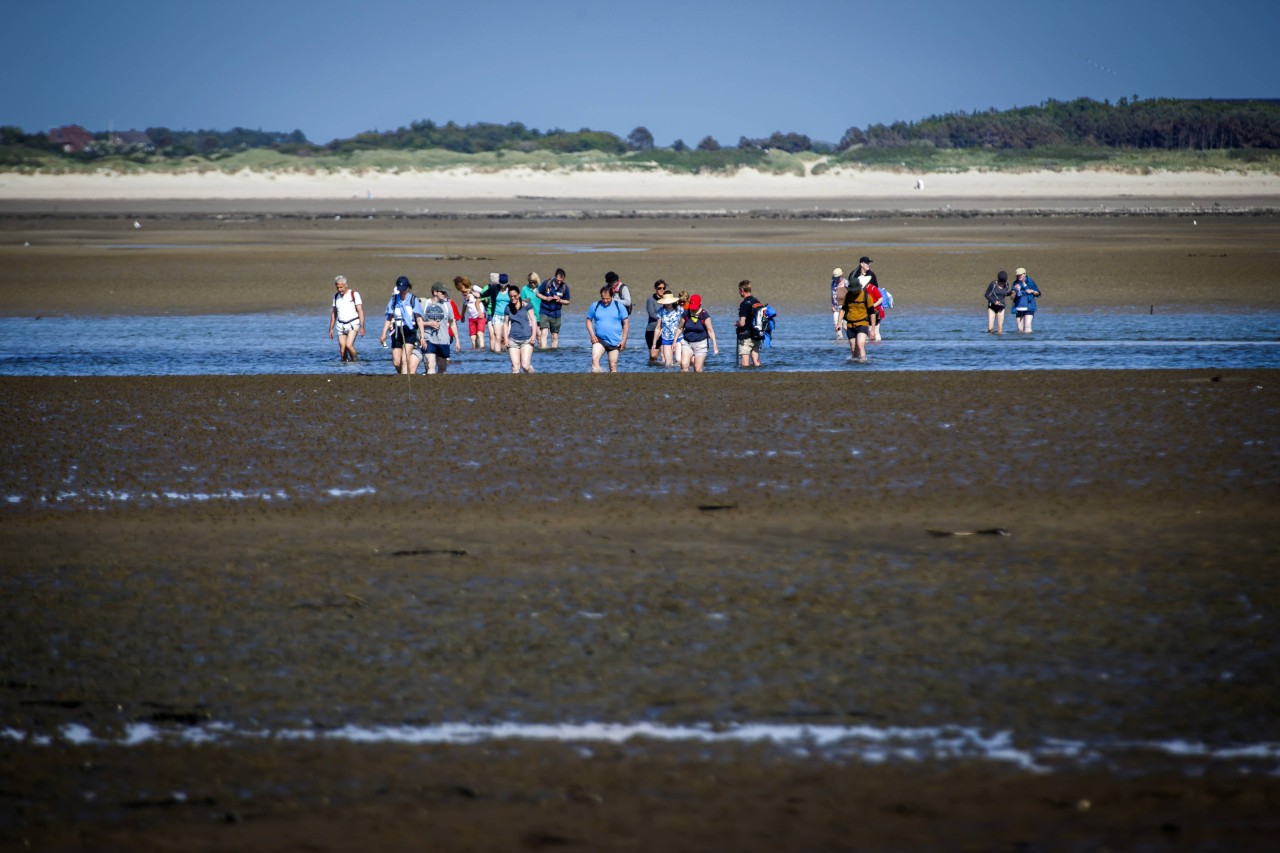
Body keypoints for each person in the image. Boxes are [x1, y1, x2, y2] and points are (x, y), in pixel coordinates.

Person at [379, 276, 426, 375]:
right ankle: (403, 376)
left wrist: (422, 336)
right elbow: (388, 318)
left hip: (409, 331)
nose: (402, 292)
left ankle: (404, 382)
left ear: (407, 288)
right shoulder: (394, 300)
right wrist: (383, 334)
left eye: (403, 290)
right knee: (397, 362)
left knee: (405, 359)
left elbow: (419, 319)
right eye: (400, 290)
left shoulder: (413, 300)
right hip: (397, 332)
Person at [585, 283, 630, 373]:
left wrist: (624, 340)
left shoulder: (619, 306)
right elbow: (588, 320)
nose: (605, 301)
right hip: (599, 340)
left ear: (612, 296)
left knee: (612, 366)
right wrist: (592, 335)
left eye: (607, 299)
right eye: (603, 298)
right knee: (595, 359)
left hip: (615, 342)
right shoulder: (595, 305)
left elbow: (626, 323)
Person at [420, 283, 457, 374]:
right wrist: (429, 323)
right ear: (435, 292)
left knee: (442, 369)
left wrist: (457, 340)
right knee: (431, 365)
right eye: (443, 292)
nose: (445, 294)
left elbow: (452, 323)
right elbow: (418, 322)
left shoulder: (447, 305)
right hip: (429, 339)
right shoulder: (425, 304)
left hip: (444, 340)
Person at [678, 293, 719, 373]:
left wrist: (715, 346)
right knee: (684, 365)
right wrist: (674, 341)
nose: (693, 309)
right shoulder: (686, 313)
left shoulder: (704, 315)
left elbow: (710, 331)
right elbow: (680, 328)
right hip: (687, 342)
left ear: (700, 303)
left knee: (697, 369)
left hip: (701, 344)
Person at [839, 274, 876, 363]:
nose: (854, 292)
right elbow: (842, 310)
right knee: (853, 347)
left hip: (862, 324)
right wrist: (838, 323)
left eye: (856, 290)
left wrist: (873, 330)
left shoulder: (866, 296)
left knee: (860, 344)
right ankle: (855, 364)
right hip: (850, 325)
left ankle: (863, 362)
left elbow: (872, 313)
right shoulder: (848, 296)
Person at [329, 275, 364, 362]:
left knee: (349, 345)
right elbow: (334, 313)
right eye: (337, 287)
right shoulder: (336, 296)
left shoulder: (354, 294)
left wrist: (362, 326)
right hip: (341, 325)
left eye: (341, 287)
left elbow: (360, 311)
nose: (339, 289)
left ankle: (355, 361)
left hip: (353, 324)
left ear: (346, 285)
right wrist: (331, 329)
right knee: (342, 350)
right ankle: (344, 366)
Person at [505, 284, 537, 374]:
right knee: (515, 367)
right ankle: (516, 386)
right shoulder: (508, 308)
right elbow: (505, 324)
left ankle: (533, 377)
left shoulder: (526, 304)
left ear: (519, 295)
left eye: (515, 296)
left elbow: (533, 320)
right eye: (511, 296)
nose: (513, 298)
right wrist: (506, 339)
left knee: (525, 366)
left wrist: (534, 336)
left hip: (526, 340)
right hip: (513, 340)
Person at [536, 267, 571, 348]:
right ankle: (543, 351)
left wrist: (560, 300)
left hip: (556, 313)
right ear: (555, 276)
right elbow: (538, 294)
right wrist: (546, 298)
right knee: (544, 333)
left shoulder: (564, 287)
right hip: (544, 311)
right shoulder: (547, 283)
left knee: (554, 335)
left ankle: (554, 352)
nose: (559, 282)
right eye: (558, 280)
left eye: (561, 280)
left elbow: (567, 301)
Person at [480, 273, 511, 353]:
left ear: (507, 283)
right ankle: (497, 354)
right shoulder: (494, 288)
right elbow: (483, 294)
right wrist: (482, 298)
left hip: (507, 316)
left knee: (505, 337)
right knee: (498, 337)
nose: (503, 286)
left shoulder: (511, 289)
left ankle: (506, 353)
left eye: (504, 284)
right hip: (496, 315)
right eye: (501, 284)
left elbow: (518, 298)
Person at [735, 280, 763, 368]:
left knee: (745, 362)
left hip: (746, 336)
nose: (739, 292)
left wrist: (737, 324)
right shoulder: (757, 302)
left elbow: (742, 323)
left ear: (742, 290)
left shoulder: (744, 304)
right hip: (757, 334)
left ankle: (746, 377)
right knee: (756, 360)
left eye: (739, 290)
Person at [651, 292, 682, 367]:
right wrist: (654, 343)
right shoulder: (661, 311)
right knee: (668, 363)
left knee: (678, 360)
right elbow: (658, 328)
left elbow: (683, 324)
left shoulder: (679, 309)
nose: (668, 303)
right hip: (666, 339)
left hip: (678, 338)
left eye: (669, 301)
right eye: (666, 302)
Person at [644, 279, 670, 363]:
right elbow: (651, 313)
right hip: (652, 329)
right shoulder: (650, 300)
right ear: (655, 288)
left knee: (664, 355)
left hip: (664, 330)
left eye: (664, 288)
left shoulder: (667, 300)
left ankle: (663, 370)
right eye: (659, 288)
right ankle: (651, 366)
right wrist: (663, 319)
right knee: (653, 355)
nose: (662, 290)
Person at [457, 276, 486, 349]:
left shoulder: (474, 288)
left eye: (461, 288)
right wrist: (462, 315)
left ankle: (482, 349)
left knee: (480, 334)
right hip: (471, 317)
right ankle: (475, 350)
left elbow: (484, 294)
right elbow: (464, 304)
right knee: (473, 338)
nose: (461, 291)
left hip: (480, 315)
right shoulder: (463, 294)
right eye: (460, 289)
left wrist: (472, 292)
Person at [1011, 267, 1042, 333]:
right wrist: (1014, 292)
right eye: (1017, 275)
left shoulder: (1030, 282)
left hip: (1029, 306)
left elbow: (1038, 293)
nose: (1019, 276)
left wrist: (1032, 291)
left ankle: (1028, 341)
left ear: (1025, 274)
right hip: (1018, 307)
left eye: (1020, 275)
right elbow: (1012, 297)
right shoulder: (1015, 283)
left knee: (1027, 326)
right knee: (1020, 329)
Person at [985, 270, 1012, 334]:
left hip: (1001, 307)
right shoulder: (993, 284)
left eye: (1004, 281)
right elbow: (986, 295)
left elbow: (1004, 294)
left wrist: (1010, 293)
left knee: (1000, 328)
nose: (1003, 283)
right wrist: (994, 301)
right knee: (990, 328)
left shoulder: (1007, 284)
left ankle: (999, 341)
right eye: (1001, 281)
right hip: (992, 307)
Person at [829, 267, 847, 340]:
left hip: (845, 307)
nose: (835, 279)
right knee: (837, 326)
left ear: (841, 276)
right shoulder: (833, 283)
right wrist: (832, 304)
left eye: (837, 277)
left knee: (845, 326)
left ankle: (853, 338)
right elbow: (832, 294)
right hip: (836, 308)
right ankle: (840, 340)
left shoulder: (846, 283)